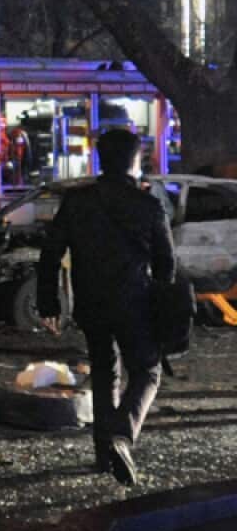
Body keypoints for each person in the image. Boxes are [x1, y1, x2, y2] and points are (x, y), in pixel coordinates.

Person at [38, 129, 175, 487]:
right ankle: (121, 436)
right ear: (135, 159)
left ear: (100, 159)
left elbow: (50, 253)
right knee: (146, 371)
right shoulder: (149, 205)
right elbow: (166, 264)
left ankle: (104, 455)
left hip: (91, 304)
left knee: (104, 371)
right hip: (136, 304)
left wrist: (49, 301)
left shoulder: (77, 201)